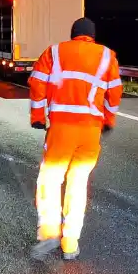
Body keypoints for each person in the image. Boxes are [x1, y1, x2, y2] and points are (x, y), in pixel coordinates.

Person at [27, 17, 122, 261]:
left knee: (50, 180)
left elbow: (37, 82)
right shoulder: (106, 56)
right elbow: (114, 92)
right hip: (90, 131)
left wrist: (38, 116)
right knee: (78, 185)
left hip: (62, 129)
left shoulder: (55, 51)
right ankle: (70, 243)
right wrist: (108, 119)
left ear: (73, 34)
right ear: (92, 35)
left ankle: (49, 232)